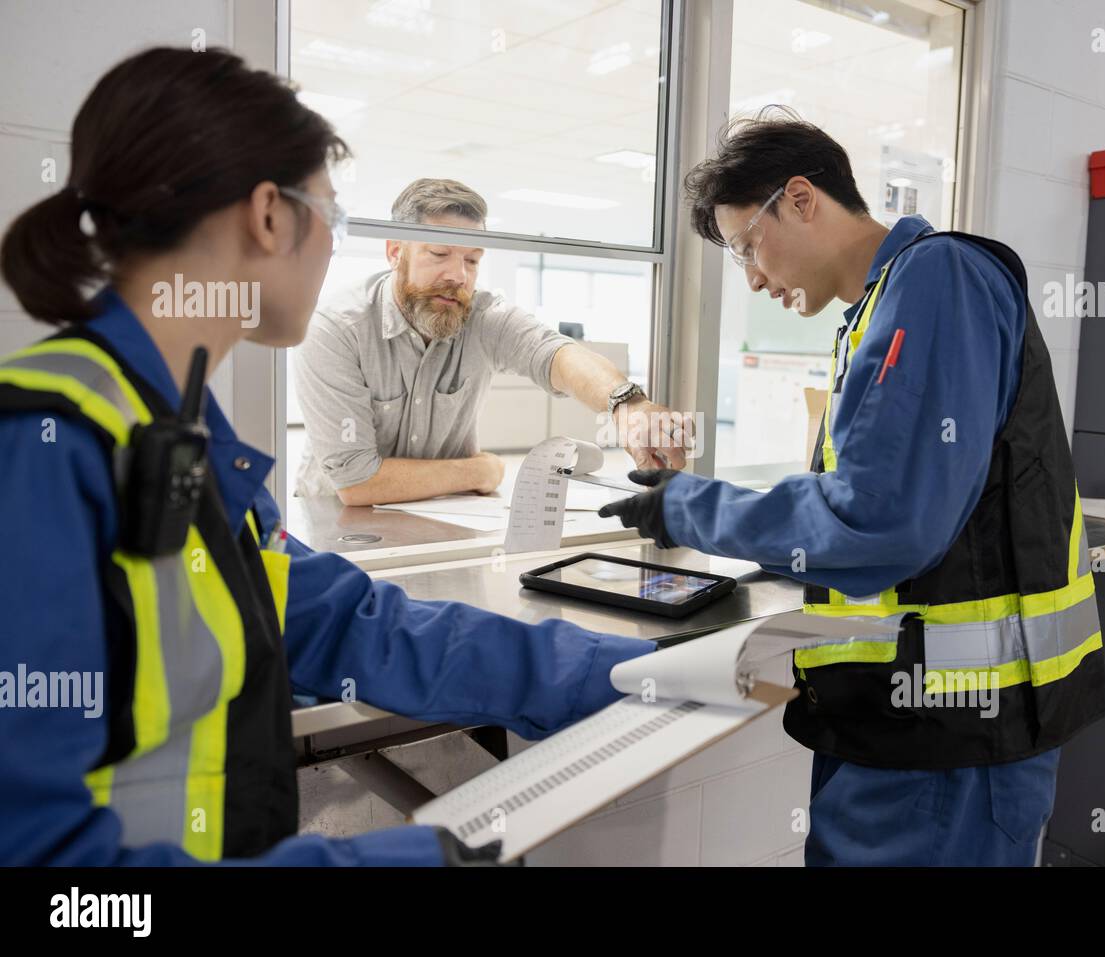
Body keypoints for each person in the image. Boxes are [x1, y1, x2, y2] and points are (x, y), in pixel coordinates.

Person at [0, 46, 652, 866]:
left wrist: (627, 673)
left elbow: (344, 622)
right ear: (270, 216)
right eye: (331, 218)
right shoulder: (40, 447)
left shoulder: (179, 434)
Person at [601, 108, 1105, 866]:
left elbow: (883, 519)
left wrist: (687, 506)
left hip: (952, 740)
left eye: (749, 247)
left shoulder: (938, 278)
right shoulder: (878, 308)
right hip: (910, 725)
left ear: (801, 198)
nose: (754, 277)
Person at [293, 177, 686, 506]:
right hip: (336, 528)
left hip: (441, 515)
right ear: (396, 251)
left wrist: (628, 404)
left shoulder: (481, 316)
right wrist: (480, 470)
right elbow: (357, 483)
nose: (458, 275)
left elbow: (558, 355)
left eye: (472, 260)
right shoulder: (336, 329)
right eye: (439, 253)